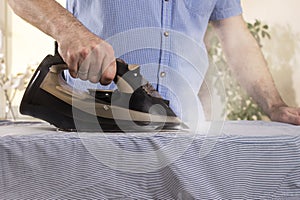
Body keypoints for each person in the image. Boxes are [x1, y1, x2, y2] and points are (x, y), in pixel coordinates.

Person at [7, 0, 300, 125]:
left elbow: (236, 36)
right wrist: (70, 31)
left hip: (183, 132)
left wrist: (274, 105)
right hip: (92, 128)